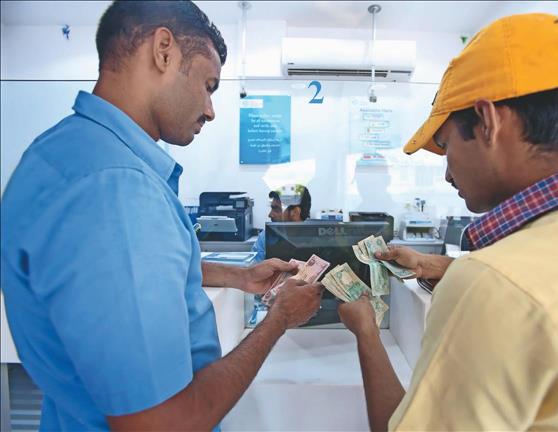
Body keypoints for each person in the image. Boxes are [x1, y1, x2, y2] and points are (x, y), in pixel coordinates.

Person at [0, 1, 322, 430]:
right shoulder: (118, 189)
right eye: (208, 85)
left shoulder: (59, 153)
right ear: (163, 51)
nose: (210, 110)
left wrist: (241, 277)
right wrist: (278, 319)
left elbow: (129, 274)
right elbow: (161, 422)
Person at [338, 13, 558, 431]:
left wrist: (367, 332)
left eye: (445, 144)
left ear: (487, 122)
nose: (447, 174)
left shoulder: (492, 286)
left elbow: (514, 288)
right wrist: (440, 266)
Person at [251, 183, 312, 263]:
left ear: (295, 212)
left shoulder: (317, 237)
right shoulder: (265, 237)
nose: (270, 214)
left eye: (276, 209)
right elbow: (255, 268)